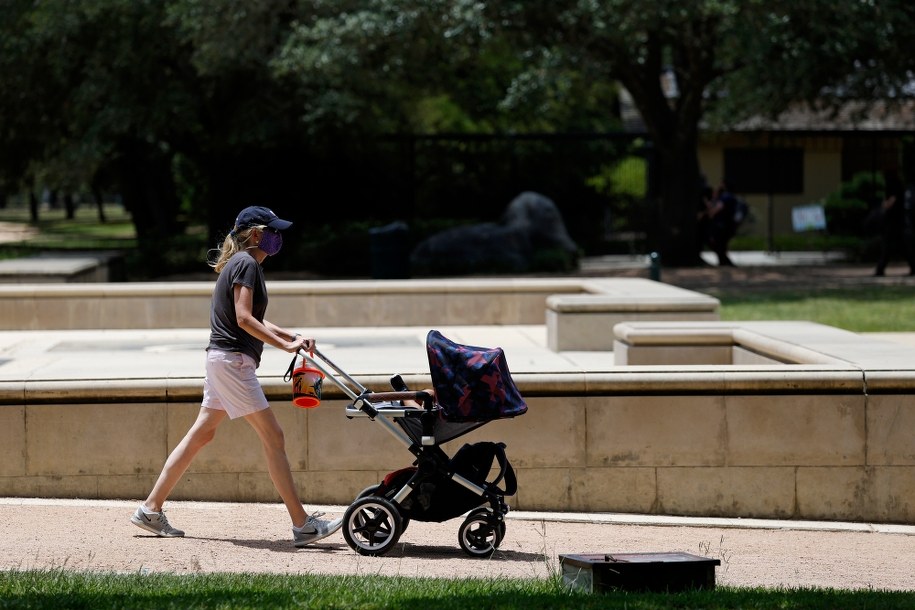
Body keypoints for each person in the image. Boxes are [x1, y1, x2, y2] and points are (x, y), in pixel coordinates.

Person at [130, 206, 342, 547]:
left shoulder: (239, 263)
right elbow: (244, 318)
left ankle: (150, 510)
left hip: (221, 360)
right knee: (274, 437)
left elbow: (252, 317)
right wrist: (285, 346)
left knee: (201, 435)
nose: (278, 237)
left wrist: (290, 336)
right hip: (233, 363)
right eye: (273, 230)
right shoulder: (246, 264)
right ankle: (303, 525)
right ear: (256, 233)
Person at [873, 169, 915, 276]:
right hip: (898, 222)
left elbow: (891, 201)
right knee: (903, 247)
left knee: (889, 247)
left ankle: (880, 269)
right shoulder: (899, 186)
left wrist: (884, 206)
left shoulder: (894, 186)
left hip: (894, 222)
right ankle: (881, 268)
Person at [702, 179, 739, 266]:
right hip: (727, 225)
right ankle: (724, 262)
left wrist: (709, 211)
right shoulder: (731, 197)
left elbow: (718, 208)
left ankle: (725, 262)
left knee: (717, 244)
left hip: (722, 225)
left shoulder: (726, 196)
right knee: (721, 245)